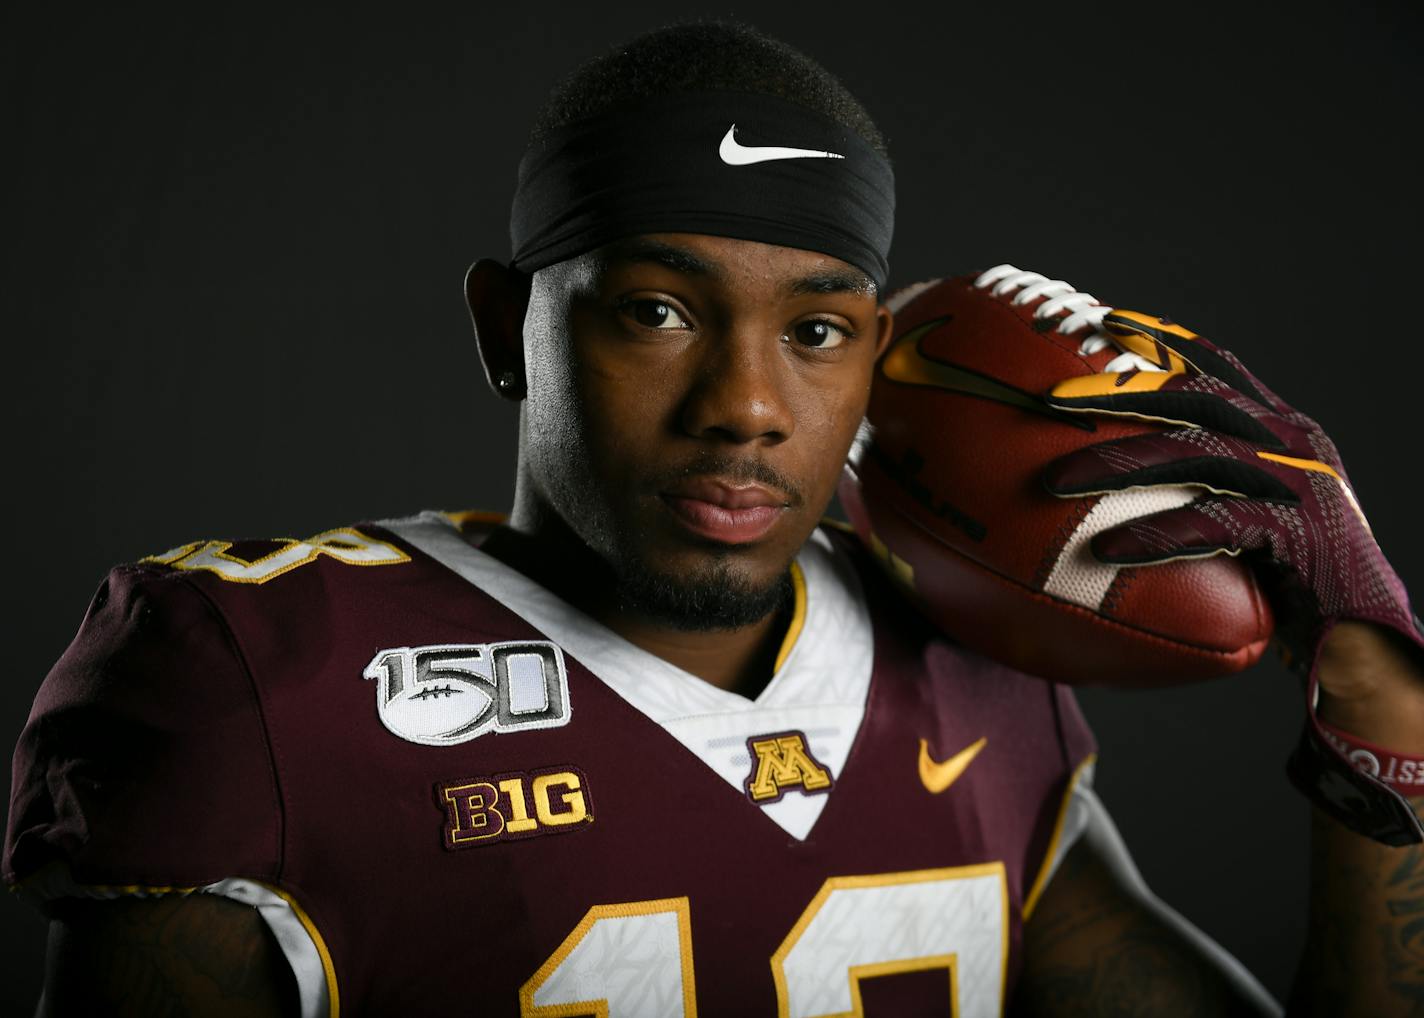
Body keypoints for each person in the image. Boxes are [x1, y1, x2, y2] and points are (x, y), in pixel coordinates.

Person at [5, 19, 1422, 1018]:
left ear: (877, 351)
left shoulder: (972, 662)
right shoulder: (252, 676)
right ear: (509, 327)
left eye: (815, 328)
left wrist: (1382, 702)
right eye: (658, 310)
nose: (746, 403)